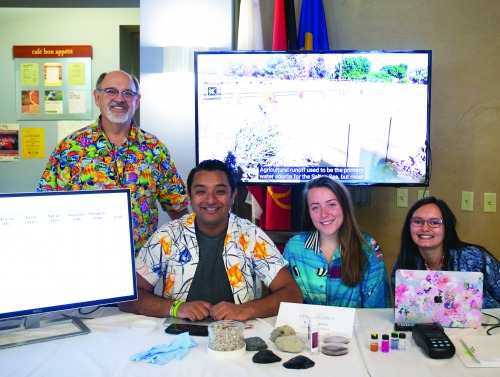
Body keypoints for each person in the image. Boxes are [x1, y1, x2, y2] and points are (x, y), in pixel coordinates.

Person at [119, 159, 303, 321]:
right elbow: (128, 298)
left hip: (239, 336)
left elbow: (292, 294)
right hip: (179, 338)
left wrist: (245, 310)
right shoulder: (168, 235)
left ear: (232, 197)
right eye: (201, 192)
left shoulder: (251, 236)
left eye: (220, 191)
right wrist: (176, 308)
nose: (211, 200)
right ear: (189, 197)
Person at [37, 71, 189, 252]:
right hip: (84, 258)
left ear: (137, 100)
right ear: (97, 97)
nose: (120, 99)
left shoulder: (154, 149)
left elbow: (177, 206)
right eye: (111, 91)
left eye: (128, 93)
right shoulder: (69, 148)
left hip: (142, 265)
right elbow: (45, 206)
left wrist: (189, 250)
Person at [284, 177, 391, 308]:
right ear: (309, 212)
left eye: (331, 204)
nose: (324, 214)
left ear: (344, 206)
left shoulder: (369, 248)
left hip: (357, 328)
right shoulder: (294, 248)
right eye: (315, 207)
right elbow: (286, 304)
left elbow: (377, 312)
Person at [391, 196, 500, 308]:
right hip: (429, 325)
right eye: (418, 221)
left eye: (434, 222)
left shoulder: (474, 257)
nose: (424, 228)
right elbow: (406, 310)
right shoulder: (404, 263)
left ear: (446, 227)